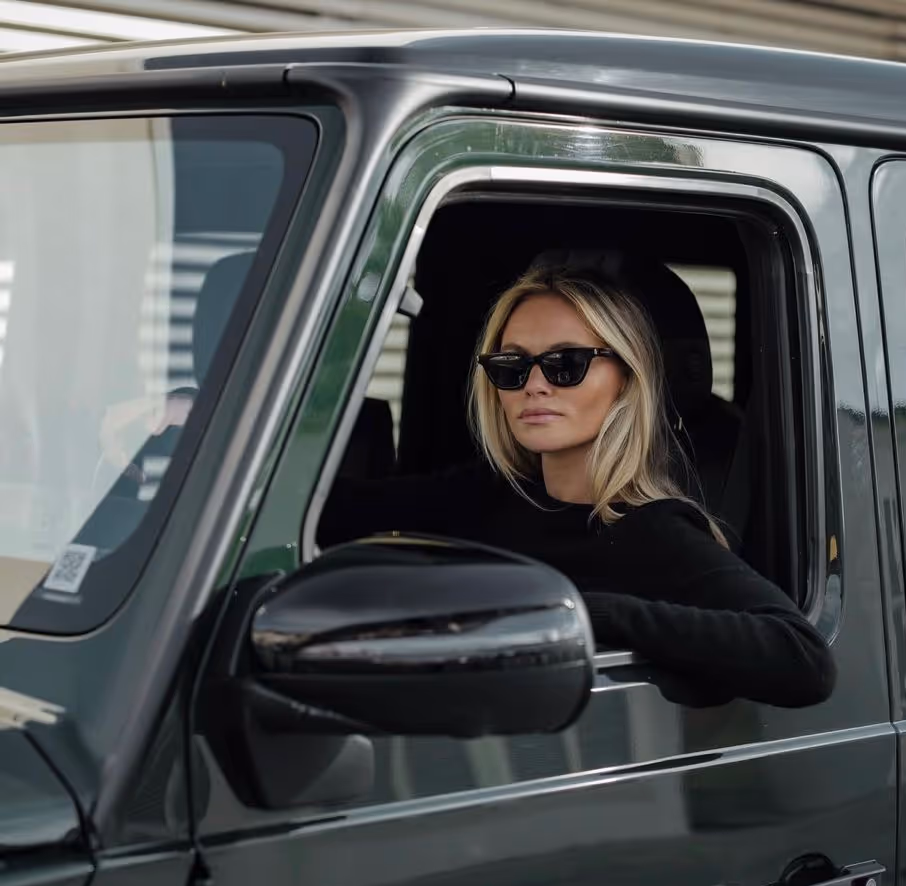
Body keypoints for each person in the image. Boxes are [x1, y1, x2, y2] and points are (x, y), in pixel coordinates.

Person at [318, 263, 835, 708]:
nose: (534, 385)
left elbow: (803, 659)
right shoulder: (490, 492)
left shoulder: (649, 528)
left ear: (627, 380)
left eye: (567, 364)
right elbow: (321, 512)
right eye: (511, 366)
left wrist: (594, 613)